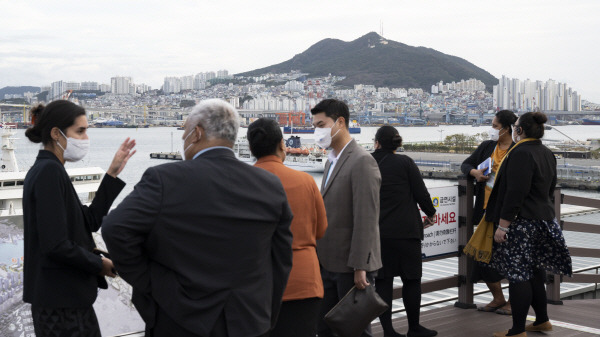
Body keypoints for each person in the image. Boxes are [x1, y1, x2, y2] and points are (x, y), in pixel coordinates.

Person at [102, 99, 293, 337]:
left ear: (197, 133)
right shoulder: (270, 185)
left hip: (179, 318)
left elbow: (114, 228)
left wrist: (152, 281)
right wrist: (266, 314)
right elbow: (281, 259)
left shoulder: (164, 179)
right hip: (248, 320)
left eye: (184, 134)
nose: (183, 141)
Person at [22, 100, 136, 337]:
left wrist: (112, 174)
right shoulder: (49, 172)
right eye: (80, 131)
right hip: (61, 302)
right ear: (56, 134)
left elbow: (88, 222)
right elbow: (55, 244)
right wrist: (99, 265)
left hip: (61, 301)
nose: (85, 139)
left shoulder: (50, 169)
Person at [485, 111, 572, 337]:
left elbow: (515, 193)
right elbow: (550, 187)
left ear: (520, 130)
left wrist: (503, 226)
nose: (513, 130)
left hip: (522, 223)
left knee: (518, 275)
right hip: (544, 219)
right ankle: (542, 320)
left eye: (514, 127)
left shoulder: (520, 153)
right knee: (534, 272)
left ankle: (516, 330)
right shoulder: (546, 153)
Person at [247, 118, 328, 337]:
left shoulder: (240, 183)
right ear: (282, 145)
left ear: (251, 148)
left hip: (256, 282)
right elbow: (321, 230)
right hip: (303, 280)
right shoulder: (306, 182)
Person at [311, 99, 382, 337]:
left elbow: (366, 218)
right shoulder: (332, 160)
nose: (317, 131)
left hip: (351, 265)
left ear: (340, 122)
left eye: (321, 124)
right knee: (326, 328)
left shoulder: (362, 160)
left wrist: (361, 266)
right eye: (315, 126)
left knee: (355, 330)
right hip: (327, 261)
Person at [372, 126, 437, 337]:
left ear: (377, 142)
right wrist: (431, 212)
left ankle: (388, 330)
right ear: (396, 144)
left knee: (383, 281)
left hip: (379, 233)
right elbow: (421, 192)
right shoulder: (405, 162)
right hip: (407, 231)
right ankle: (414, 328)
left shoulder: (368, 161)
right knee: (412, 280)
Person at [460, 110, 517, 315]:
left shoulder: (518, 149)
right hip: (485, 213)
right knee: (482, 257)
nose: (492, 129)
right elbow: (466, 164)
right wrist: (474, 172)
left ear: (507, 128)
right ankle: (498, 297)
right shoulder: (487, 146)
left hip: (508, 215)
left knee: (511, 259)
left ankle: (514, 301)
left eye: (495, 126)